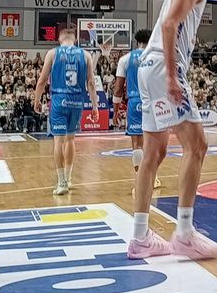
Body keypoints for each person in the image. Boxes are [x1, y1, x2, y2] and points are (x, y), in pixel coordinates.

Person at [129, 0, 217, 260]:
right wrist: (173, 78)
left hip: (149, 69)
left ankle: (140, 237)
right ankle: (185, 233)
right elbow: (168, 26)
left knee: (154, 153)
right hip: (165, 68)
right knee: (197, 145)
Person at [33, 25, 98, 196]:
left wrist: (37, 100)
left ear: (59, 39)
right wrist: (95, 106)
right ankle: (69, 178)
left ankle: (61, 182)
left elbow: (42, 80)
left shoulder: (53, 53)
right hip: (77, 101)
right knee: (70, 140)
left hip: (59, 100)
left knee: (58, 142)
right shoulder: (85, 55)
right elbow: (91, 83)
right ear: (74, 40)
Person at [112, 28, 161, 196]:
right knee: (153, 144)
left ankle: (141, 180)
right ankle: (152, 178)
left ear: (136, 42)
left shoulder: (126, 59)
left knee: (137, 144)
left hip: (135, 102)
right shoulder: (157, 57)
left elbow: (118, 89)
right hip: (154, 102)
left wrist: (116, 110)